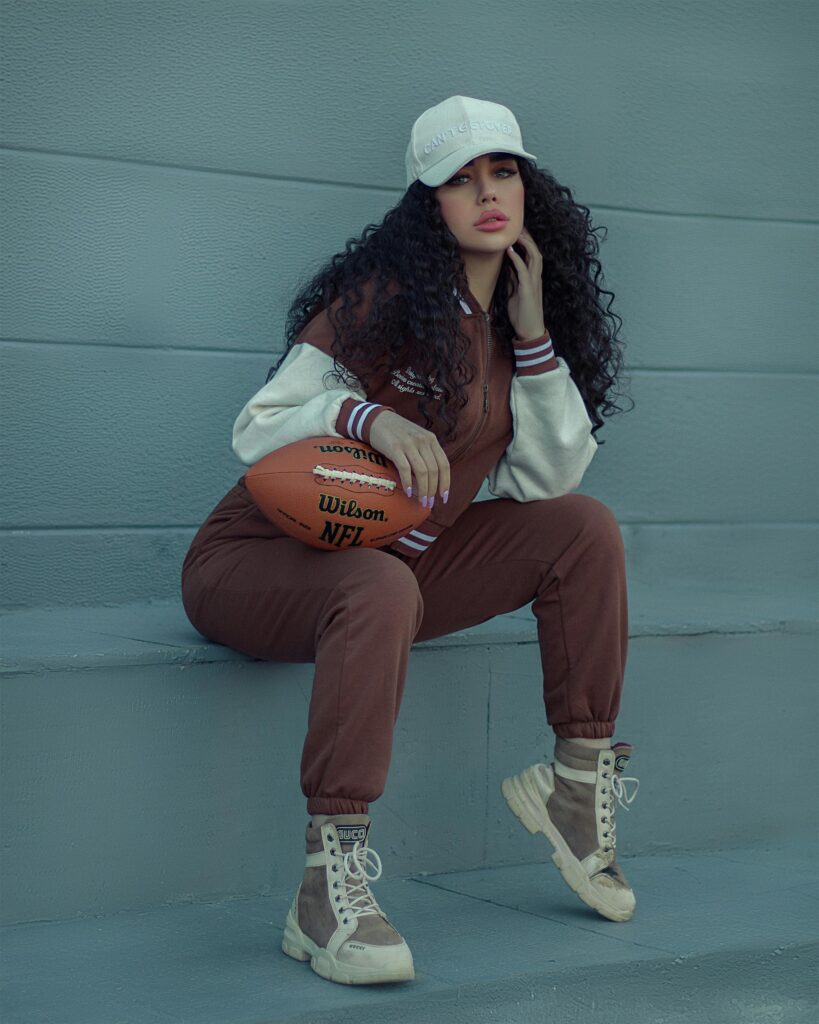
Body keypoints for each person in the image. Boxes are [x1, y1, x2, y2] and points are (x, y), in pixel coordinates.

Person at [180, 94, 640, 987]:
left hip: (390, 572)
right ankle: (326, 888)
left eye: (501, 171)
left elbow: (548, 479)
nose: (486, 194)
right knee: (378, 588)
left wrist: (537, 331)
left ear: (527, 186)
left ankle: (575, 789)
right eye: (458, 181)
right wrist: (366, 418)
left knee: (583, 530)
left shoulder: (514, 329)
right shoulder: (386, 299)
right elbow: (259, 423)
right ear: (427, 206)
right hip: (252, 564)